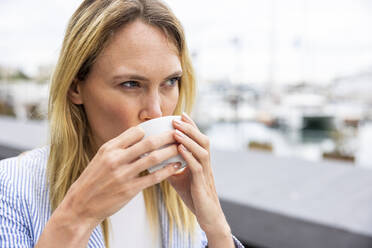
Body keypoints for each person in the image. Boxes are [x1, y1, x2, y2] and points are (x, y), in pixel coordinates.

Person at [0, 0, 244, 247]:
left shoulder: (180, 193)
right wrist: (76, 217)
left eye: (170, 81)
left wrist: (217, 228)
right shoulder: (12, 189)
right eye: (131, 84)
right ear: (76, 88)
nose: (156, 111)